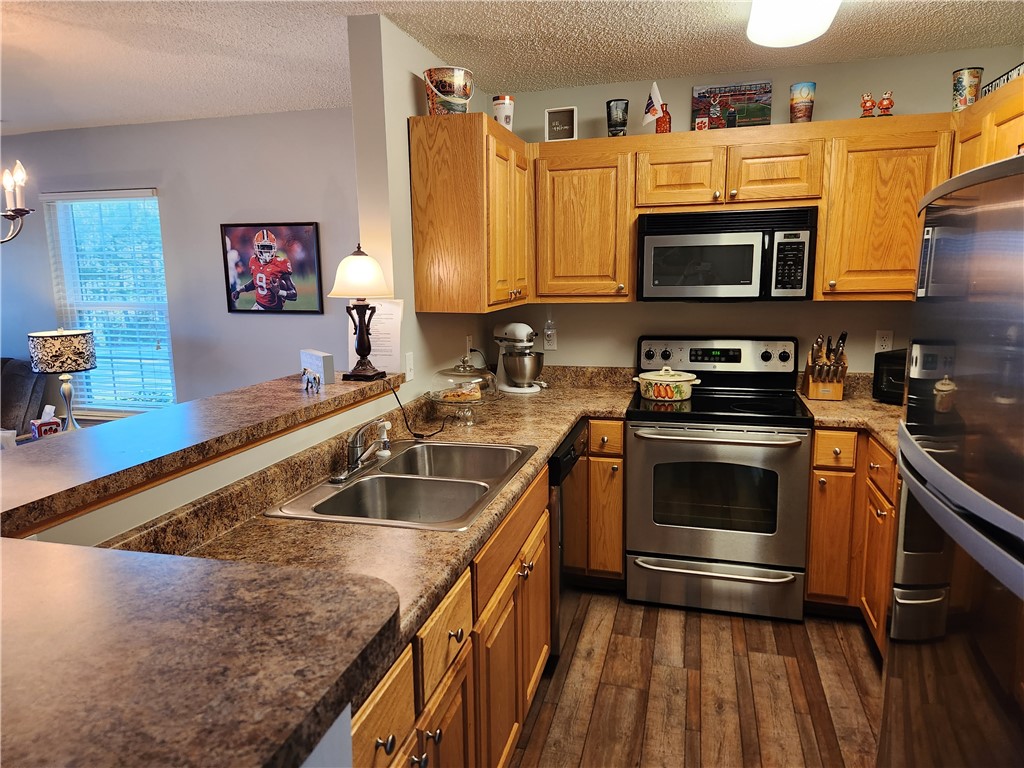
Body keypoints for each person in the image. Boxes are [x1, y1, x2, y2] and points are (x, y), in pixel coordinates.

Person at [231, 229, 298, 311]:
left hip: (275, 310)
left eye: (268, 247)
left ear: (274, 247)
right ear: (256, 247)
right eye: (263, 247)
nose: (266, 250)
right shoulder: (253, 261)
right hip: (258, 306)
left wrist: (279, 292)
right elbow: (256, 281)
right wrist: (239, 290)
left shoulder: (281, 264)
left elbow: (294, 295)